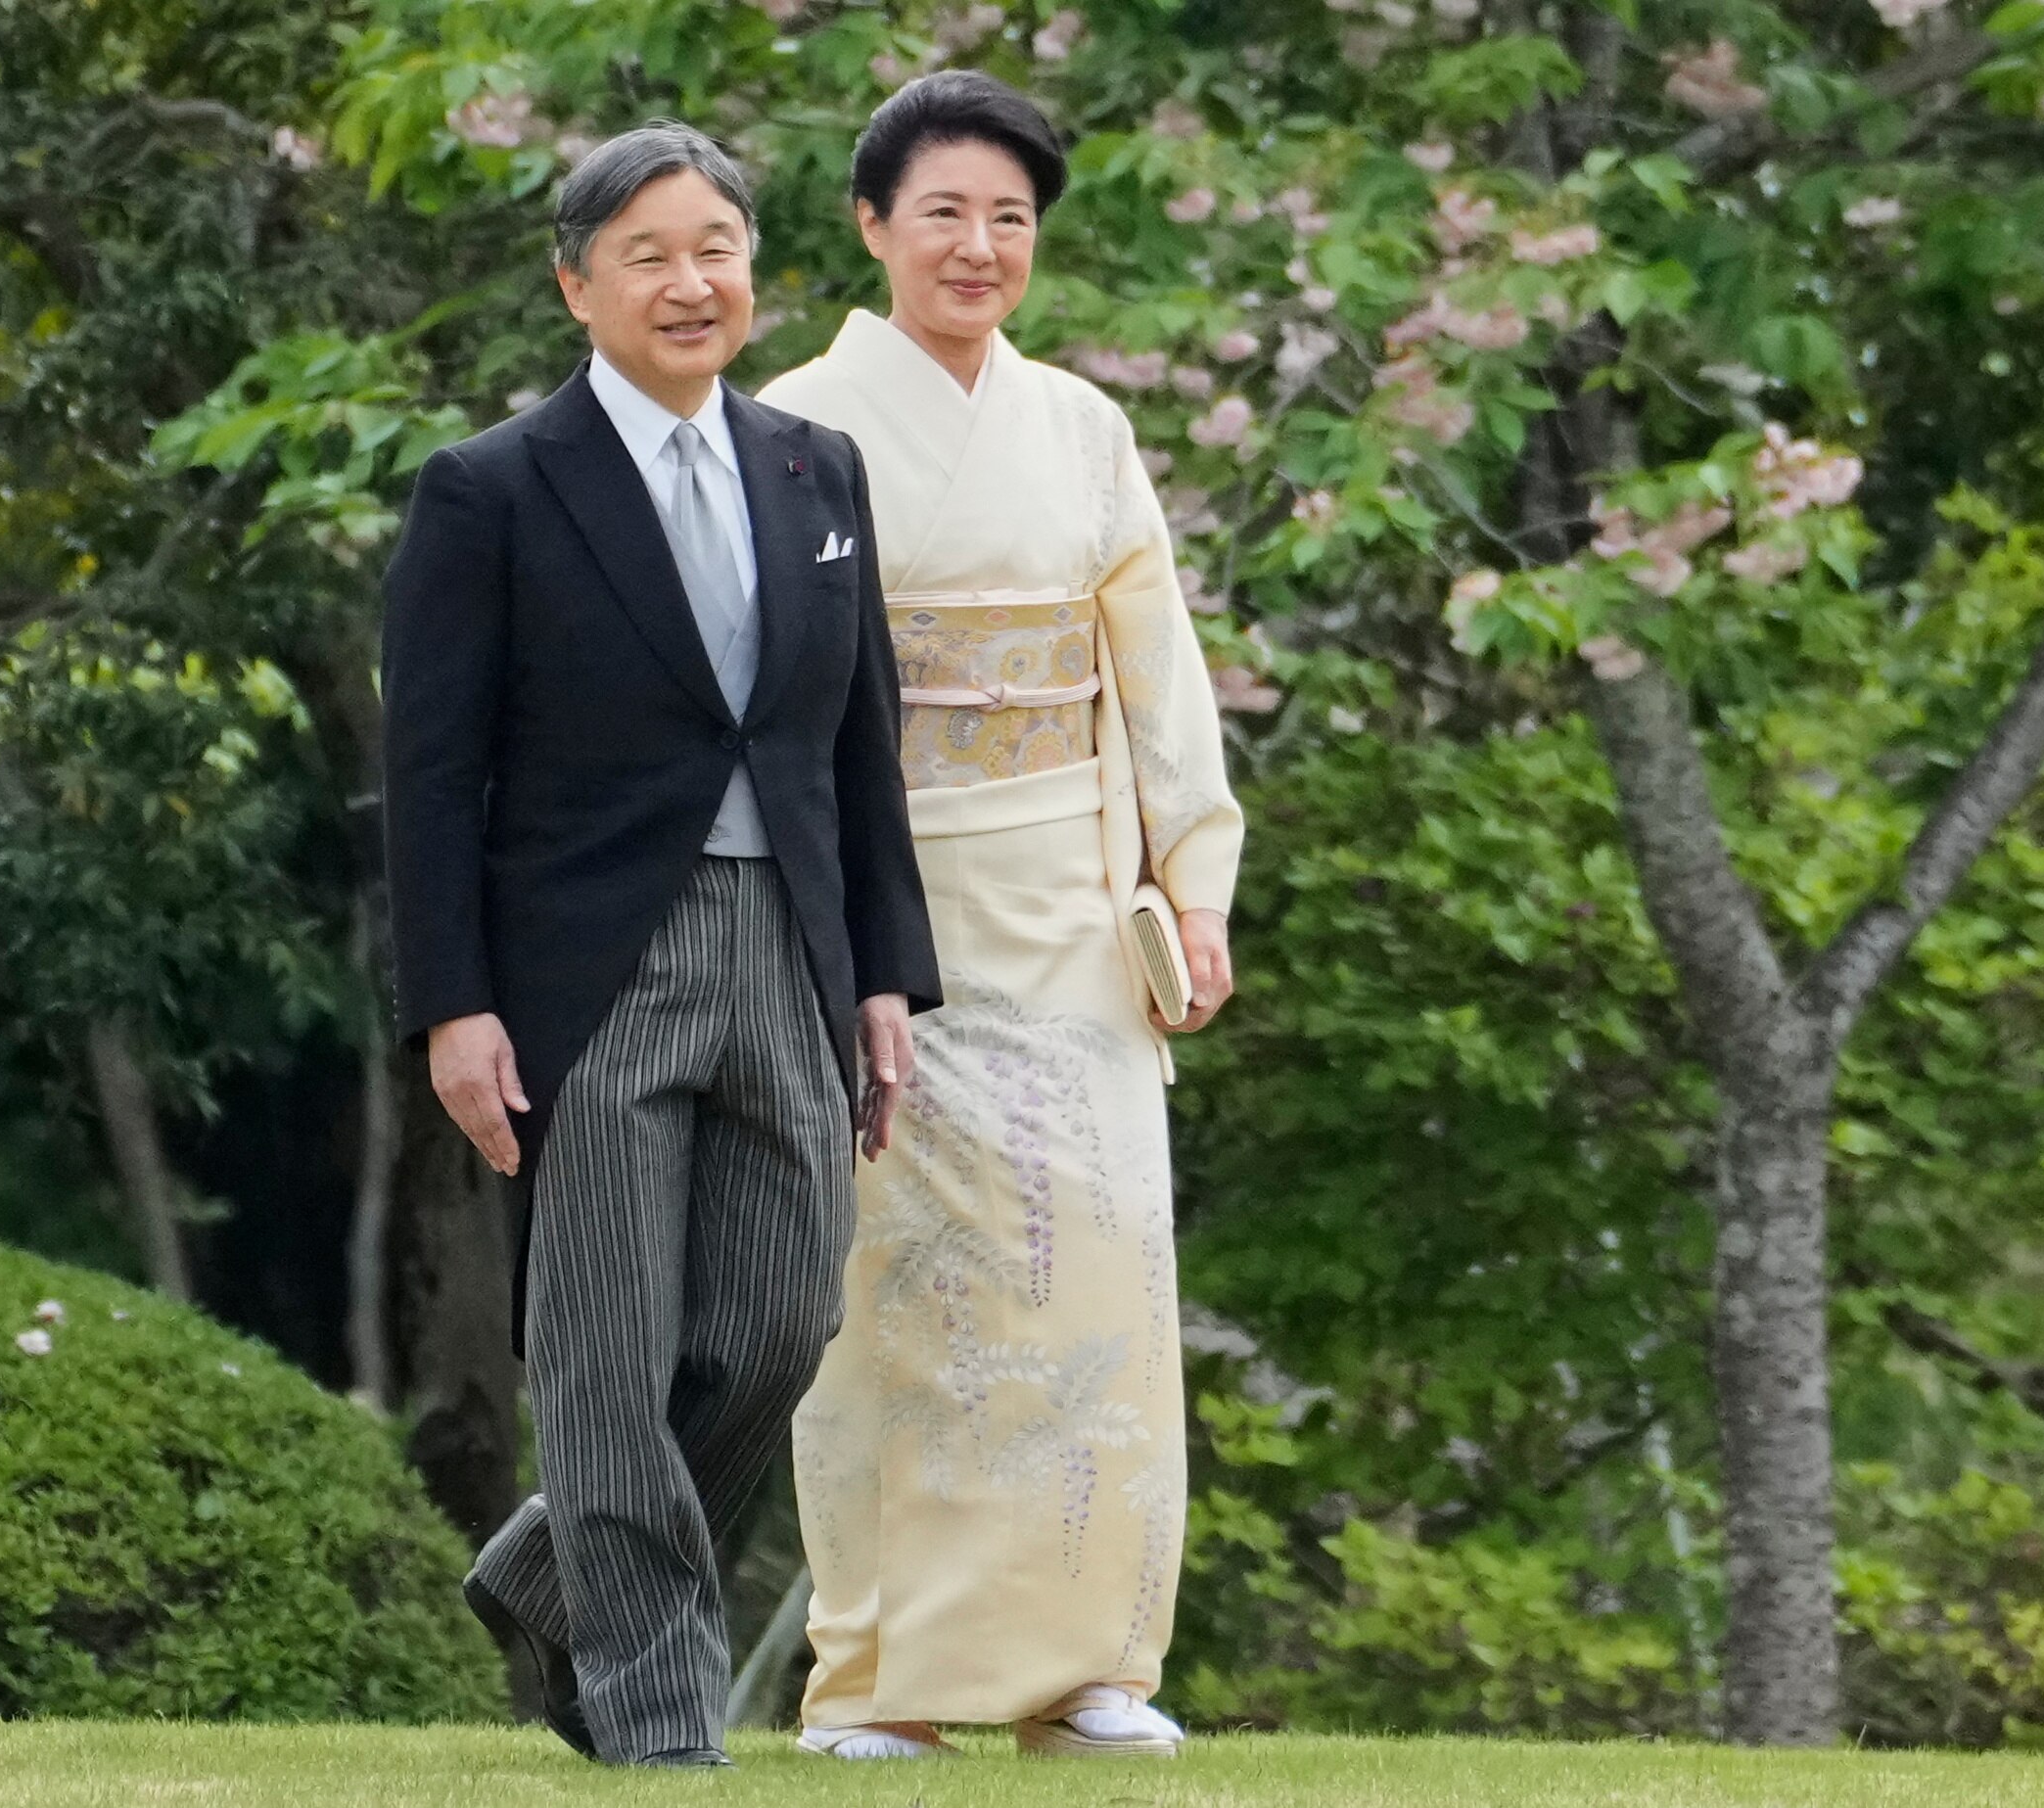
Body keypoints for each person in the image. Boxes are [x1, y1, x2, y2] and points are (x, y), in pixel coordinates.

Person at [379, 121, 941, 1769]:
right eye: (648, 254)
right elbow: (427, 774)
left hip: (792, 949)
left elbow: (857, 741)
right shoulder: (487, 488)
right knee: (609, 1353)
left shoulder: (811, 469)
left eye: (717, 248)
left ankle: (546, 1570)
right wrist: (453, 1007)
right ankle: (656, 1723)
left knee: (778, 1323)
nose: (690, 282)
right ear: (576, 286)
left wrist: (886, 975)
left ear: (754, 271)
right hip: (586, 969)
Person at [759, 70, 1244, 1761]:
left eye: (1010, 220)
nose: (979, 248)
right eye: (944, 213)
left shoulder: (1083, 428)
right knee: (896, 1286)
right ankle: (877, 1676)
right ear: (870, 227)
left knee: (1097, 1273)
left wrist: (1192, 883)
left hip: (1068, 903)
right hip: (882, 903)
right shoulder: (794, 424)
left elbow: (1155, 674)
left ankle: (1086, 1668)